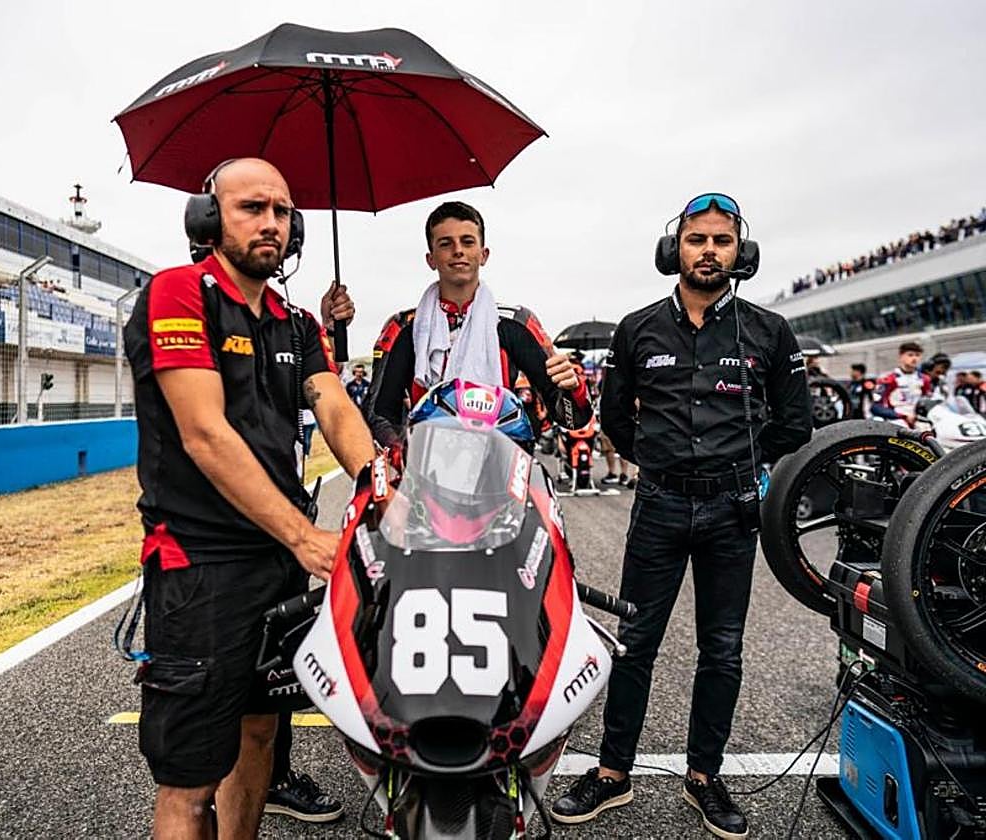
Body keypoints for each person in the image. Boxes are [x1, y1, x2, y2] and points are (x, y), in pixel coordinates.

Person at [123, 157, 376, 839]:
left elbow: (335, 406)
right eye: (251, 208)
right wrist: (303, 536)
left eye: (282, 211)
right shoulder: (179, 293)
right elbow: (205, 434)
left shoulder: (295, 323)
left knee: (261, 735)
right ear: (209, 219)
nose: (270, 223)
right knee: (190, 781)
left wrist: (378, 483)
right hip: (201, 565)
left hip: (277, 566)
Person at [551, 193, 811, 838]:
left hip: (733, 510)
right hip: (659, 505)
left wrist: (737, 470)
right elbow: (613, 418)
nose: (709, 252)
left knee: (721, 649)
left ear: (740, 252)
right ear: (676, 250)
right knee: (635, 642)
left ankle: (705, 777)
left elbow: (795, 423)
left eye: (722, 241)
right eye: (697, 240)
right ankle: (612, 774)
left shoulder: (770, 330)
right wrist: (659, 462)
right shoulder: (637, 329)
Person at [362, 201, 591, 452]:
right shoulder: (403, 327)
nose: (458, 250)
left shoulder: (517, 323)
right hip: (425, 469)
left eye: (468, 241)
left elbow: (572, 419)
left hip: (502, 467)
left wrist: (574, 389)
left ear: (484, 255)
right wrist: (402, 455)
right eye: (446, 243)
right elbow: (379, 414)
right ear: (431, 259)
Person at [871, 341, 932, 425]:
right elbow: (876, 407)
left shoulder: (925, 379)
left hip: (919, 418)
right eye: (910, 355)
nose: (914, 358)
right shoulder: (887, 379)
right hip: (897, 419)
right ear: (901, 356)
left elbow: (928, 401)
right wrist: (902, 416)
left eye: (917, 355)